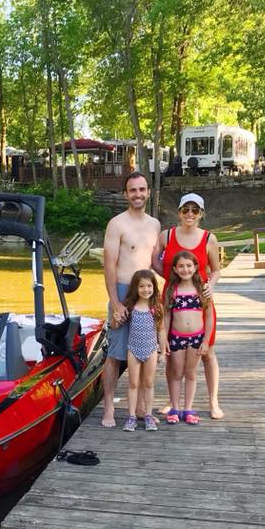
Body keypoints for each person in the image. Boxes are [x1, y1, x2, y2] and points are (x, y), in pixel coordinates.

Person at [154, 192, 223, 419]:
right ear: (179, 211)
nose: (190, 214)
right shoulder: (167, 235)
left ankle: (213, 401)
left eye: (195, 210)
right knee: (172, 352)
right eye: (186, 210)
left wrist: (210, 285)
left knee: (208, 352)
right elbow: (155, 259)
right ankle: (172, 402)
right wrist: (170, 277)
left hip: (200, 296)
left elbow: (216, 269)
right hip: (174, 295)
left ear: (201, 213)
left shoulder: (208, 238)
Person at [101, 171, 161, 428]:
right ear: (126, 194)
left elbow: (156, 262)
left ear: (148, 192)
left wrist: (188, 279)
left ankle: (137, 408)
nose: (138, 194)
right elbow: (109, 265)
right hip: (123, 292)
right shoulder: (117, 224)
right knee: (115, 353)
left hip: (145, 295)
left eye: (142, 189)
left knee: (144, 350)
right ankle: (108, 409)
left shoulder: (155, 224)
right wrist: (115, 302)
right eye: (133, 190)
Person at [162, 251, 215, 425]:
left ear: (195, 267)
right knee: (176, 373)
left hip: (196, 338)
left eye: (189, 266)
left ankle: (188, 409)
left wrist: (206, 341)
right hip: (176, 338)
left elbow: (209, 317)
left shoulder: (203, 289)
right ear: (175, 269)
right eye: (181, 266)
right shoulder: (172, 290)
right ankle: (175, 408)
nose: (185, 269)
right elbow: (167, 317)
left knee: (191, 373)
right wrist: (164, 339)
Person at [120, 269, 165, 432]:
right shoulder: (130, 306)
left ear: (154, 287)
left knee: (148, 383)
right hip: (133, 349)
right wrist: (116, 317)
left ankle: (148, 415)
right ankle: (131, 416)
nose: (146, 289)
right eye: (141, 286)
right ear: (135, 288)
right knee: (133, 383)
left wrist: (163, 351)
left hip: (151, 349)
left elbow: (161, 330)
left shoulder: (156, 307)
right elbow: (117, 323)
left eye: (149, 286)